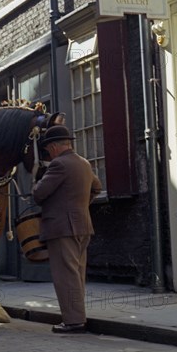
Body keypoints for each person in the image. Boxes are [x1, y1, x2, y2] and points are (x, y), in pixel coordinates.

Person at [32, 125, 102, 334]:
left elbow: (39, 193)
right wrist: (80, 206)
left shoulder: (58, 165)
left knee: (65, 276)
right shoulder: (84, 163)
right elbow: (97, 187)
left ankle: (74, 321)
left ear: (54, 147)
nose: (47, 153)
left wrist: (37, 180)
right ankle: (77, 316)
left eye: (47, 149)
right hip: (82, 225)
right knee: (77, 274)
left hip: (62, 227)